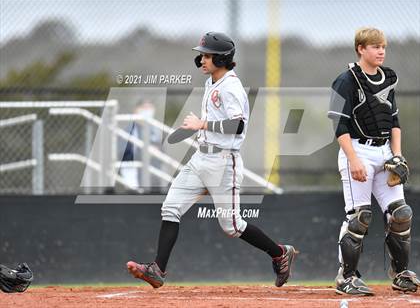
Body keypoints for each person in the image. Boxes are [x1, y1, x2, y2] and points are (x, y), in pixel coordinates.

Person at [126, 32, 297, 288]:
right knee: (170, 208)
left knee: (232, 226)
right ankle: (158, 270)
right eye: (202, 55)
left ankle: (280, 254)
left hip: (223, 163)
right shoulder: (212, 83)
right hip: (200, 158)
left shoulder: (230, 87)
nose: (202, 60)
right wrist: (199, 128)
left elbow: (238, 125)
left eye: (207, 55)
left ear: (221, 58)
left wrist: (203, 123)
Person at [328, 27, 419, 295]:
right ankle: (346, 277)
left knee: (401, 214)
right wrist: (353, 159)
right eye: (375, 46)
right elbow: (339, 126)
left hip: (384, 152)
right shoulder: (345, 80)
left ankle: (401, 274)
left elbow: (394, 121)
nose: (381, 51)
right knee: (359, 217)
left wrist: (397, 155)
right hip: (357, 150)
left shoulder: (388, 79)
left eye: (383, 47)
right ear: (361, 49)